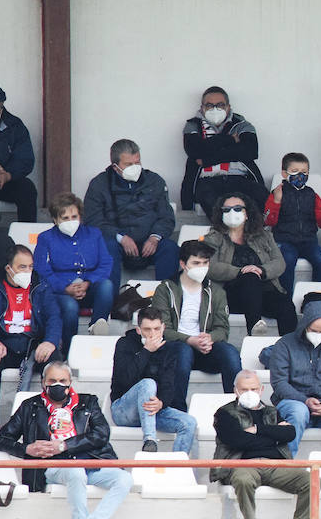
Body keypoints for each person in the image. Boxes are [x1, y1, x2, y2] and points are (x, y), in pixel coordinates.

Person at [0, 361, 131, 519]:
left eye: (62, 380)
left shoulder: (88, 402)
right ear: (43, 383)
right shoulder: (30, 406)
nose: (58, 385)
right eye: (52, 380)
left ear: (70, 382)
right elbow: (0, 440)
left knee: (124, 479)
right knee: (75, 473)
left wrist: (64, 445)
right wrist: (27, 449)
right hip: (52, 466)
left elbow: (101, 434)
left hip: (90, 462)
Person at [210, 369, 311, 519]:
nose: (250, 393)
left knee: (311, 480)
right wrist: (273, 434)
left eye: (254, 388)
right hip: (242, 464)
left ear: (262, 389)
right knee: (242, 480)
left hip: (275, 465)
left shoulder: (272, 411)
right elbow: (237, 440)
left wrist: (257, 429)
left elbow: (290, 433)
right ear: (236, 390)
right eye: (245, 389)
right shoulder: (224, 413)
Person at [83, 138, 179, 288]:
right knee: (107, 247)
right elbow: (93, 220)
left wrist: (155, 237)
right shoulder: (99, 184)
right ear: (115, 167)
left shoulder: (155, 181)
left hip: (149, 242)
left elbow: (166, 216)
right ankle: (111, 304)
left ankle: (167, 302)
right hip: (116, 242)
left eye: (137, 162)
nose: (135, 167)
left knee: (170, 248)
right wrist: (121, 237)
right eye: (128, 164)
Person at [153, 240, 242, 400]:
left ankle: (235, 406)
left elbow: (222, 328)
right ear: (183, 264)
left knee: (230, 353)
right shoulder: (165, 289)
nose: (201, 267)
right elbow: (161, 329)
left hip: (205, 349)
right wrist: (190, 340)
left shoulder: (216, 291)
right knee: (183, 350)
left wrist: (210, 338)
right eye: (196, 263)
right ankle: (177, 409)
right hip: (174, 349)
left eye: (205, 263)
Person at [266, 301, 321, 455]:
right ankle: (286, 466)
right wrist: (304, 400)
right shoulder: (284, 344)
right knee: (298, 412)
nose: (318, 335)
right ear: (304, 326)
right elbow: (279, 382)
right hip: (293, 403)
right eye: (314, 330)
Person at [203, 192, 297, 336]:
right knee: (250, 278)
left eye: (237, 208)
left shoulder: (264, 236)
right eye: (226, 210)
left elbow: (280, 263)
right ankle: (255, 330)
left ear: (247, 213)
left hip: (265, 292)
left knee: (286, 305)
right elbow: (210, 267)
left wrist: (260, 269)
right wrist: (241, 272)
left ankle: (290, 350)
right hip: (230, 295)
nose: (232, 213)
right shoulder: (213, 238)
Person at [109, 307, 196, 454]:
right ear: (138, 330)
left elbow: (169, 385)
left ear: (163, 327)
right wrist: (146, 352)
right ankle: (150, 441)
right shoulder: (124, 344)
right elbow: (124, 380)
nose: (153, 334)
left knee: (189, 423)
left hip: (152, 410)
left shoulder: (168, 349)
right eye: (147, 329)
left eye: (157, 329)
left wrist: (161, 402)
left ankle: (178, 467)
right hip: (124, 409)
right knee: (148, 383)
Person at [0, 245, 62, 423]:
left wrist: (50, 342)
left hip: (32, 345)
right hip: (4, 343)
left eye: (30, 267)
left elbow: (54, 316)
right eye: (22, 267)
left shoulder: (40, 284)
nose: (28, 271)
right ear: (8, 268)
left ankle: (52, 417)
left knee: (55, 360)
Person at [34, 192, 114, 349]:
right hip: (61, 292)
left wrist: (88, 283)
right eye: (65, 218)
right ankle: (69, 349)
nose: (70, 221)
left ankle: (96, 329)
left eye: (74, 217)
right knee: (70, 308)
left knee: (107, 285)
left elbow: (106, 262)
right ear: (55, 220)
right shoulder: (45, 238)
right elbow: (41, 269)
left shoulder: (94, 234)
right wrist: (64, 287)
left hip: (89, 287)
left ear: (80, 217)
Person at [181, 86, 267, 217]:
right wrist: (230, 140)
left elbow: (250, 151)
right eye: (209, 105)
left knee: (261, 197)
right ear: (202, 108)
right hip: (208, 181)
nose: (215, 109)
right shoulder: (193, 126)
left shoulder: (242, 125)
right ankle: (225, 235)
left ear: (228, 107)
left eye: (220, 105)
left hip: (240, 178)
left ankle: (249, 234)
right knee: (216, 208)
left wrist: (207, 159)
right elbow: (195, 151)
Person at [264, 152, 321, 295]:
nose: (300, 175)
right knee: (287, 261)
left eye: (304, 172)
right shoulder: (277, 193)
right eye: (295, 172)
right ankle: (286, 298)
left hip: (309, 241)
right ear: (284, 174)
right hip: (284, 241)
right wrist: (277, 201)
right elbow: (268, 221)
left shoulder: (312, 195)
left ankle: (319, 297)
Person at [0, 84, 38, 222]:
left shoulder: (14, 125)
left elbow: (25, 159)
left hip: (3, 181)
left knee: (26, 188)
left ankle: (26, 237)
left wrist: (8, 175)